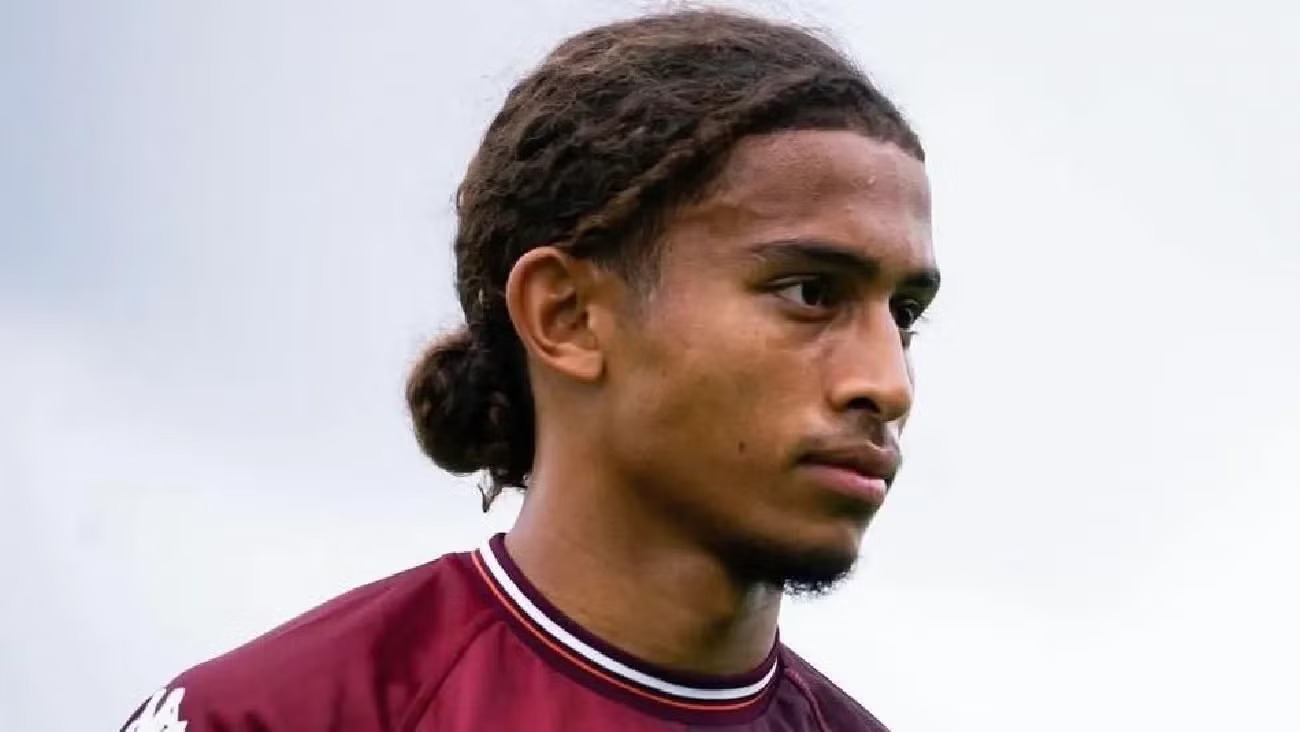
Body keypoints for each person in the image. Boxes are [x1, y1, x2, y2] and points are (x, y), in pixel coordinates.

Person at [120, 8, 939, 731]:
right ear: (566, 316)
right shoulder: (270, 718)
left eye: (903, 314)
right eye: (809, 293)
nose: (887, 384)